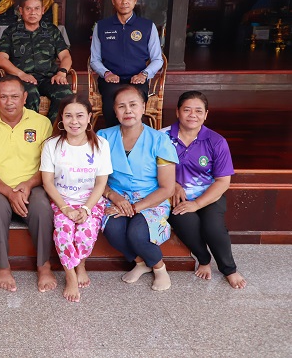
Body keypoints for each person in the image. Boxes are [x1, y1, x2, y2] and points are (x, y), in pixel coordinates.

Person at [0, 75, 56, 292]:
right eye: (3, 97)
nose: (9, 102)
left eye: (15, 96)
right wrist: (9, 193)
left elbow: (48, 166)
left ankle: (44, 266)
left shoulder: (42, 123)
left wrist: (27, 185)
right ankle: (2, 266)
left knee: (42, 209)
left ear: (25, 97)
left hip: (33, 184)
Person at [162, 91, 246, 289]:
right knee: (186, 222)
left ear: (206, 114)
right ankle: (204, 258)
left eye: (199, 111)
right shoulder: (161, 137)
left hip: (209, 195)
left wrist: (197, 204)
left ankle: (229, 269)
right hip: (174, 195)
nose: (193, 115)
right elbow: (150, 170)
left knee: (214, 227)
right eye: (187, 110)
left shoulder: (216, 141)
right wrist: (173, 185)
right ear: (177, 112)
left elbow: (223, 181)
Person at [97, 85, 177, 291]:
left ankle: (159, 268)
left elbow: (167, 188)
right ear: (114, 111)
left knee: (137, 234)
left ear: (143, 107)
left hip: (151, 198)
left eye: (133, 105)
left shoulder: (159, 140)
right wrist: (113, 196)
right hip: (116, 196)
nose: (128, 111)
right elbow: (96, 177)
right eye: (121, 106)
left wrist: (134, 208)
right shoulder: (103, 137)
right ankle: (141, 263)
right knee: (113, 230)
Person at [40, 95, 112, 302]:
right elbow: (48, 182)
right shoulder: (52, 145)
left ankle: (81, 264)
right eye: (68, 116)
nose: (74, 121)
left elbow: (101, 183)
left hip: (91, 201)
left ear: (89, 117)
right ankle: (70, 275)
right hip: (62, 201)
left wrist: (86, 209)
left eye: (80, 116)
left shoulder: (101, 144)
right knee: (63, 232)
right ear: (61, 118)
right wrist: (65, 208)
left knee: (85, 234)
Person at [90, 0, 163, 127]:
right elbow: (94, 59)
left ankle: (134, 138)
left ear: (135, 0)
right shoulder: (102, 26)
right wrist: (106, 73)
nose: (124, 1)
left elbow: (157, 59)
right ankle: (114, 138)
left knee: (134, 105)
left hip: (137, 80)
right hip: (110, 80)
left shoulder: (147, 26)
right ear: (113, 1)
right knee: (112, 105)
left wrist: (144, 74)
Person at [0, 0, 73, 124]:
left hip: (49, 78)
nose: (33, 12)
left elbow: (65, 56)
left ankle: (50, 130)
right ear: (21, 11)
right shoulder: (11, 31)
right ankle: (30, 130)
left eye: (37, 8)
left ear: (43, 10)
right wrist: (21, 74)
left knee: (65, 94)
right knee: (29, 94)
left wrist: (62, 72)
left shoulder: (52, 31)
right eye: (28, 9)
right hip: (21, 78)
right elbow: (1, 59)